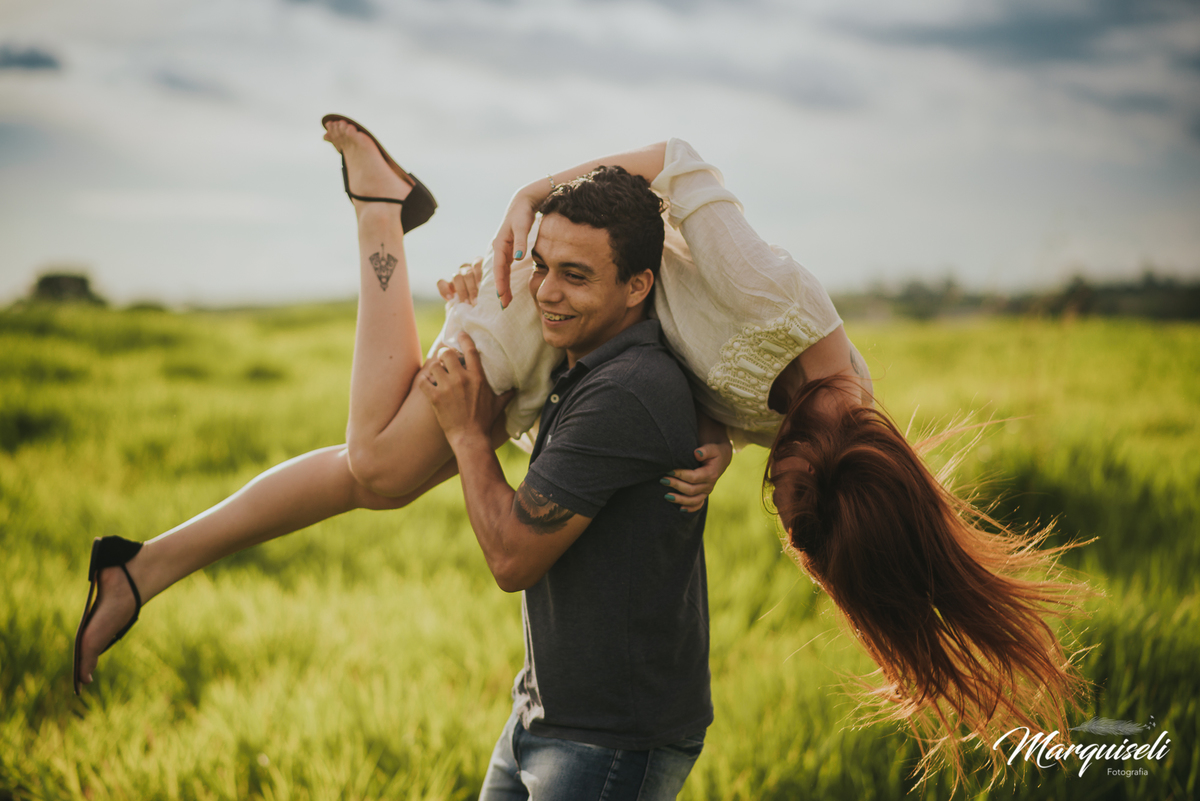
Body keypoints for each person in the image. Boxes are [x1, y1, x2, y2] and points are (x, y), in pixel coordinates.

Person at [73, 118, 1083, 788]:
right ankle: (381, 206)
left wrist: (721, 446)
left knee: (367, 469)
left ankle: (143, 564)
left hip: (603, 347)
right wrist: (527, 201)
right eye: (782, 499)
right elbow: (678, 158)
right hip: (582, 285)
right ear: (810, 447)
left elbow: (734, 404)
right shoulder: (779, 299)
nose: (776, 509)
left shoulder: (839, 441)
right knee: (372, 467)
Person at [420, 165, 711, 798]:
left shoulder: (625, 391)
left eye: (575, 276)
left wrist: (468, 435)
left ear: (639, 285)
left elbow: (510, 557)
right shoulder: (581, 365)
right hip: (542, 710)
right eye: (541, 267)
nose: (546, 293)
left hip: (610, 740)